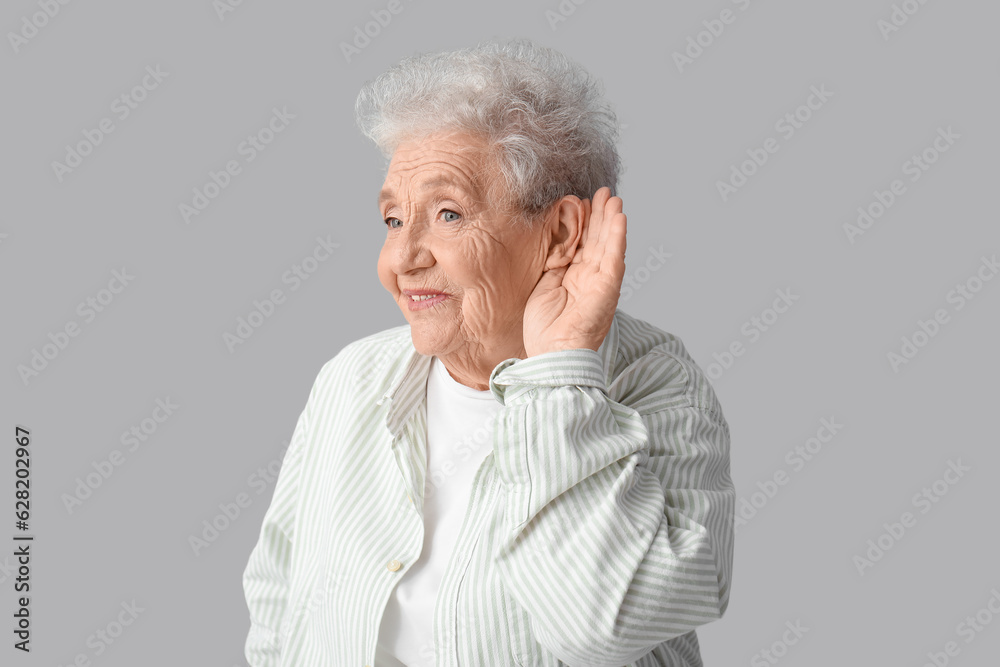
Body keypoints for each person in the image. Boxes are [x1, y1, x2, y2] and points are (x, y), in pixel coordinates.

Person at [243, 37, 734, 667]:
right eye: (394, 220)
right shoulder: (352, 378)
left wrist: (560, 373)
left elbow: (603, 630)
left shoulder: (659, 386)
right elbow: (279, 599)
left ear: (559, 232)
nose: (402, 259)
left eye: (447, 214)